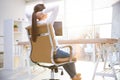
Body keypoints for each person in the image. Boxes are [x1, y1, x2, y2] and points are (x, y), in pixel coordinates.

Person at [31, 3, 81, 80]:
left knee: (65, 57)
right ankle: (74, 77)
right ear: (42, 13)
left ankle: (74, 76)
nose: (46, 13)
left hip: (41, 55)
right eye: (45, 11)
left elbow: (27, 14)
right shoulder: (48, 23)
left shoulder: (32, 26)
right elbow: (56, 7)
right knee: (71, 56)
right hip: (54, 53)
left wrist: (36, 13)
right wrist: (42, 12)